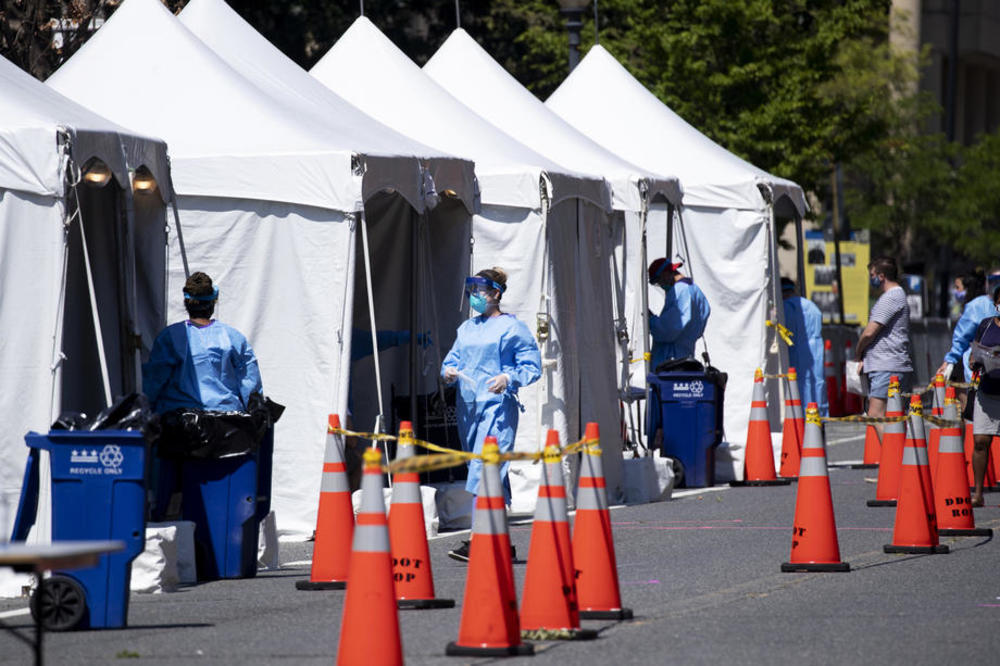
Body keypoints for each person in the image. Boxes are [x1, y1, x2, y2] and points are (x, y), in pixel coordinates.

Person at [440, 267, 541, 562]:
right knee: (493, 474)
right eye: (471, 291)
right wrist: (447, 372)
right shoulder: (467, 328)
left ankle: (477, 538)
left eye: (480, 291)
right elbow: (453, 359)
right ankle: (500, 542)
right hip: (469, 408)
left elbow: (530, 365)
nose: (475, 297)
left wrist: (509, 378)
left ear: (496, 294)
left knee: (484, 469)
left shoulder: (513, 328)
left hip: (497, 408)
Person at [143, 271, 261, 413]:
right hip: (227, 425)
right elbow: (252, 389)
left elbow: (152, 385)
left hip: (178, 425)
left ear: (186, 302)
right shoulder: (233, 338)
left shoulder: (169, 337)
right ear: (213, 302)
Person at [855, 256, 913, 441]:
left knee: (875, 414)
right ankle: (898, 460)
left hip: (886, 364)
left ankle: (894, 459)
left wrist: (858, 352)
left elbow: (869, 333)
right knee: (891, 416)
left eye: (872, 274)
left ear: (881, 276)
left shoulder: (891, 297)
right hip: (890, 363)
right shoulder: (896, 296)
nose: (870, 278)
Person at [967, 281, 1000, 507]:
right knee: (980, 441)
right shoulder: (986, 324)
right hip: (986, 392)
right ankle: (978, 493)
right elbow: (974, 351)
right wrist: (975, 360)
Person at [647, 258, 711, 369]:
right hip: (685, 355)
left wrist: (652, 320)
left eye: (658, 281)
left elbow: (670, 329)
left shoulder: (680, 291)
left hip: (672, 361)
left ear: (666, 274)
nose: (660, 285)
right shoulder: (695, 290)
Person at [936, 270, 991, 396]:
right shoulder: (990, 302)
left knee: (970, 407)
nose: (955, 291)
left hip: (976, 365)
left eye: (957, 287)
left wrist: (949, 361)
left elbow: (962, 337)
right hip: (992, 364)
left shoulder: (974, 306)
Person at [781, 277, 827, 415]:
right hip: (814, 355)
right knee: (816, 386)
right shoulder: (812, 307)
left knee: (796, 391)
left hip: (793, 356)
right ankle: (820, 421)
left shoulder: (784, 308)